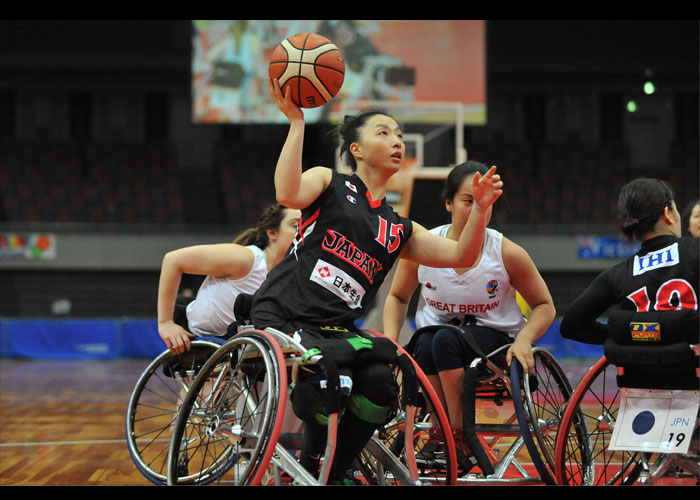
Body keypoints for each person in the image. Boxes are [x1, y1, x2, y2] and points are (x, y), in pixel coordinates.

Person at [250, 77, 503, 483]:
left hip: (336, 329)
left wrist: (480, 211)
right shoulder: (328, 182)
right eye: (383, 133)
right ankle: (319, 461)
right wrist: (297, 123)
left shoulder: (397, 226)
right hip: (286, 314)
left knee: (382, 384)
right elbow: (287, 191)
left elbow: (463, 255)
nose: (397, 140)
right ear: (357, 149)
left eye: (400, 134)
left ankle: (330, 471)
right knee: (334, 376)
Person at [382, 160, 555, 465]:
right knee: (424, 342)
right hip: (435, 345)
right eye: (468, 200)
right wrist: (390, 341)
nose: (478, 208)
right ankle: (442, 430)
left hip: (495, 346)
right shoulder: (423, 247)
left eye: (484, 202)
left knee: (442, 339)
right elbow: (397, 297)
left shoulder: (507, 252)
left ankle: (458, 434)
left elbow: (544, 305)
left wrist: (525, 339)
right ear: (448, 203)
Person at [560, 178, 699, 346]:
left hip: (639, 369)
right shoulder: (694, 250)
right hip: (692, 367)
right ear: (667, 215)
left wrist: (624, 336)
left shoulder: (617, 274)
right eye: (676, 209)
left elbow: (570, 326)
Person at [157, 203, 300, 354]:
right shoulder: (247, 259)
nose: (303, 232)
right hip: (198, 333)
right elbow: (172, 260)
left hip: (241, 341)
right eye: (296, 225)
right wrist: (166, 323)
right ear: (272, 233)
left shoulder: (296, 274)